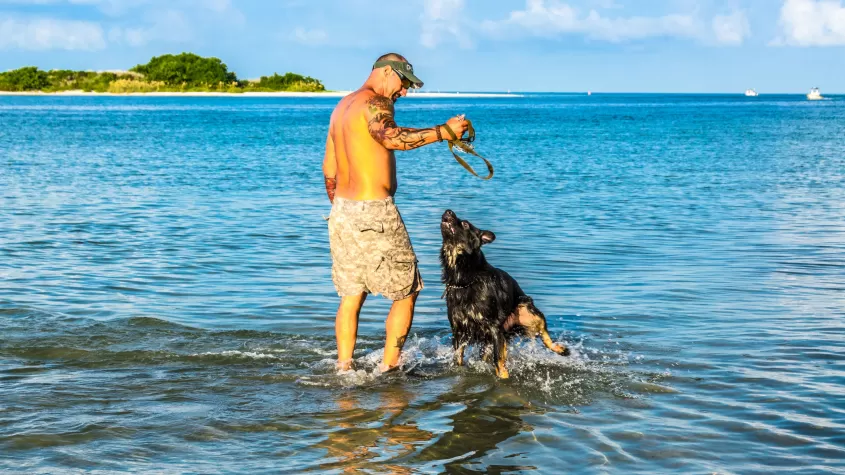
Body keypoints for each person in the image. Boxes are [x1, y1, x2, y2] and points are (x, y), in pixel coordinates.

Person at [322, 53, 468, 372]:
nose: (404, 92)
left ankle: (344, 368)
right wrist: (445, 132)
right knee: (407, 291)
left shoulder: (341, 107)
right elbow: (392, 138)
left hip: (342, 212)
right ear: (387, 72)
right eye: (403, 83)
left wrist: (344, 210)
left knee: (352, 294)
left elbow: (329, 170)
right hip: (375, 212)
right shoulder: (375, 103)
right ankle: (390, 369)